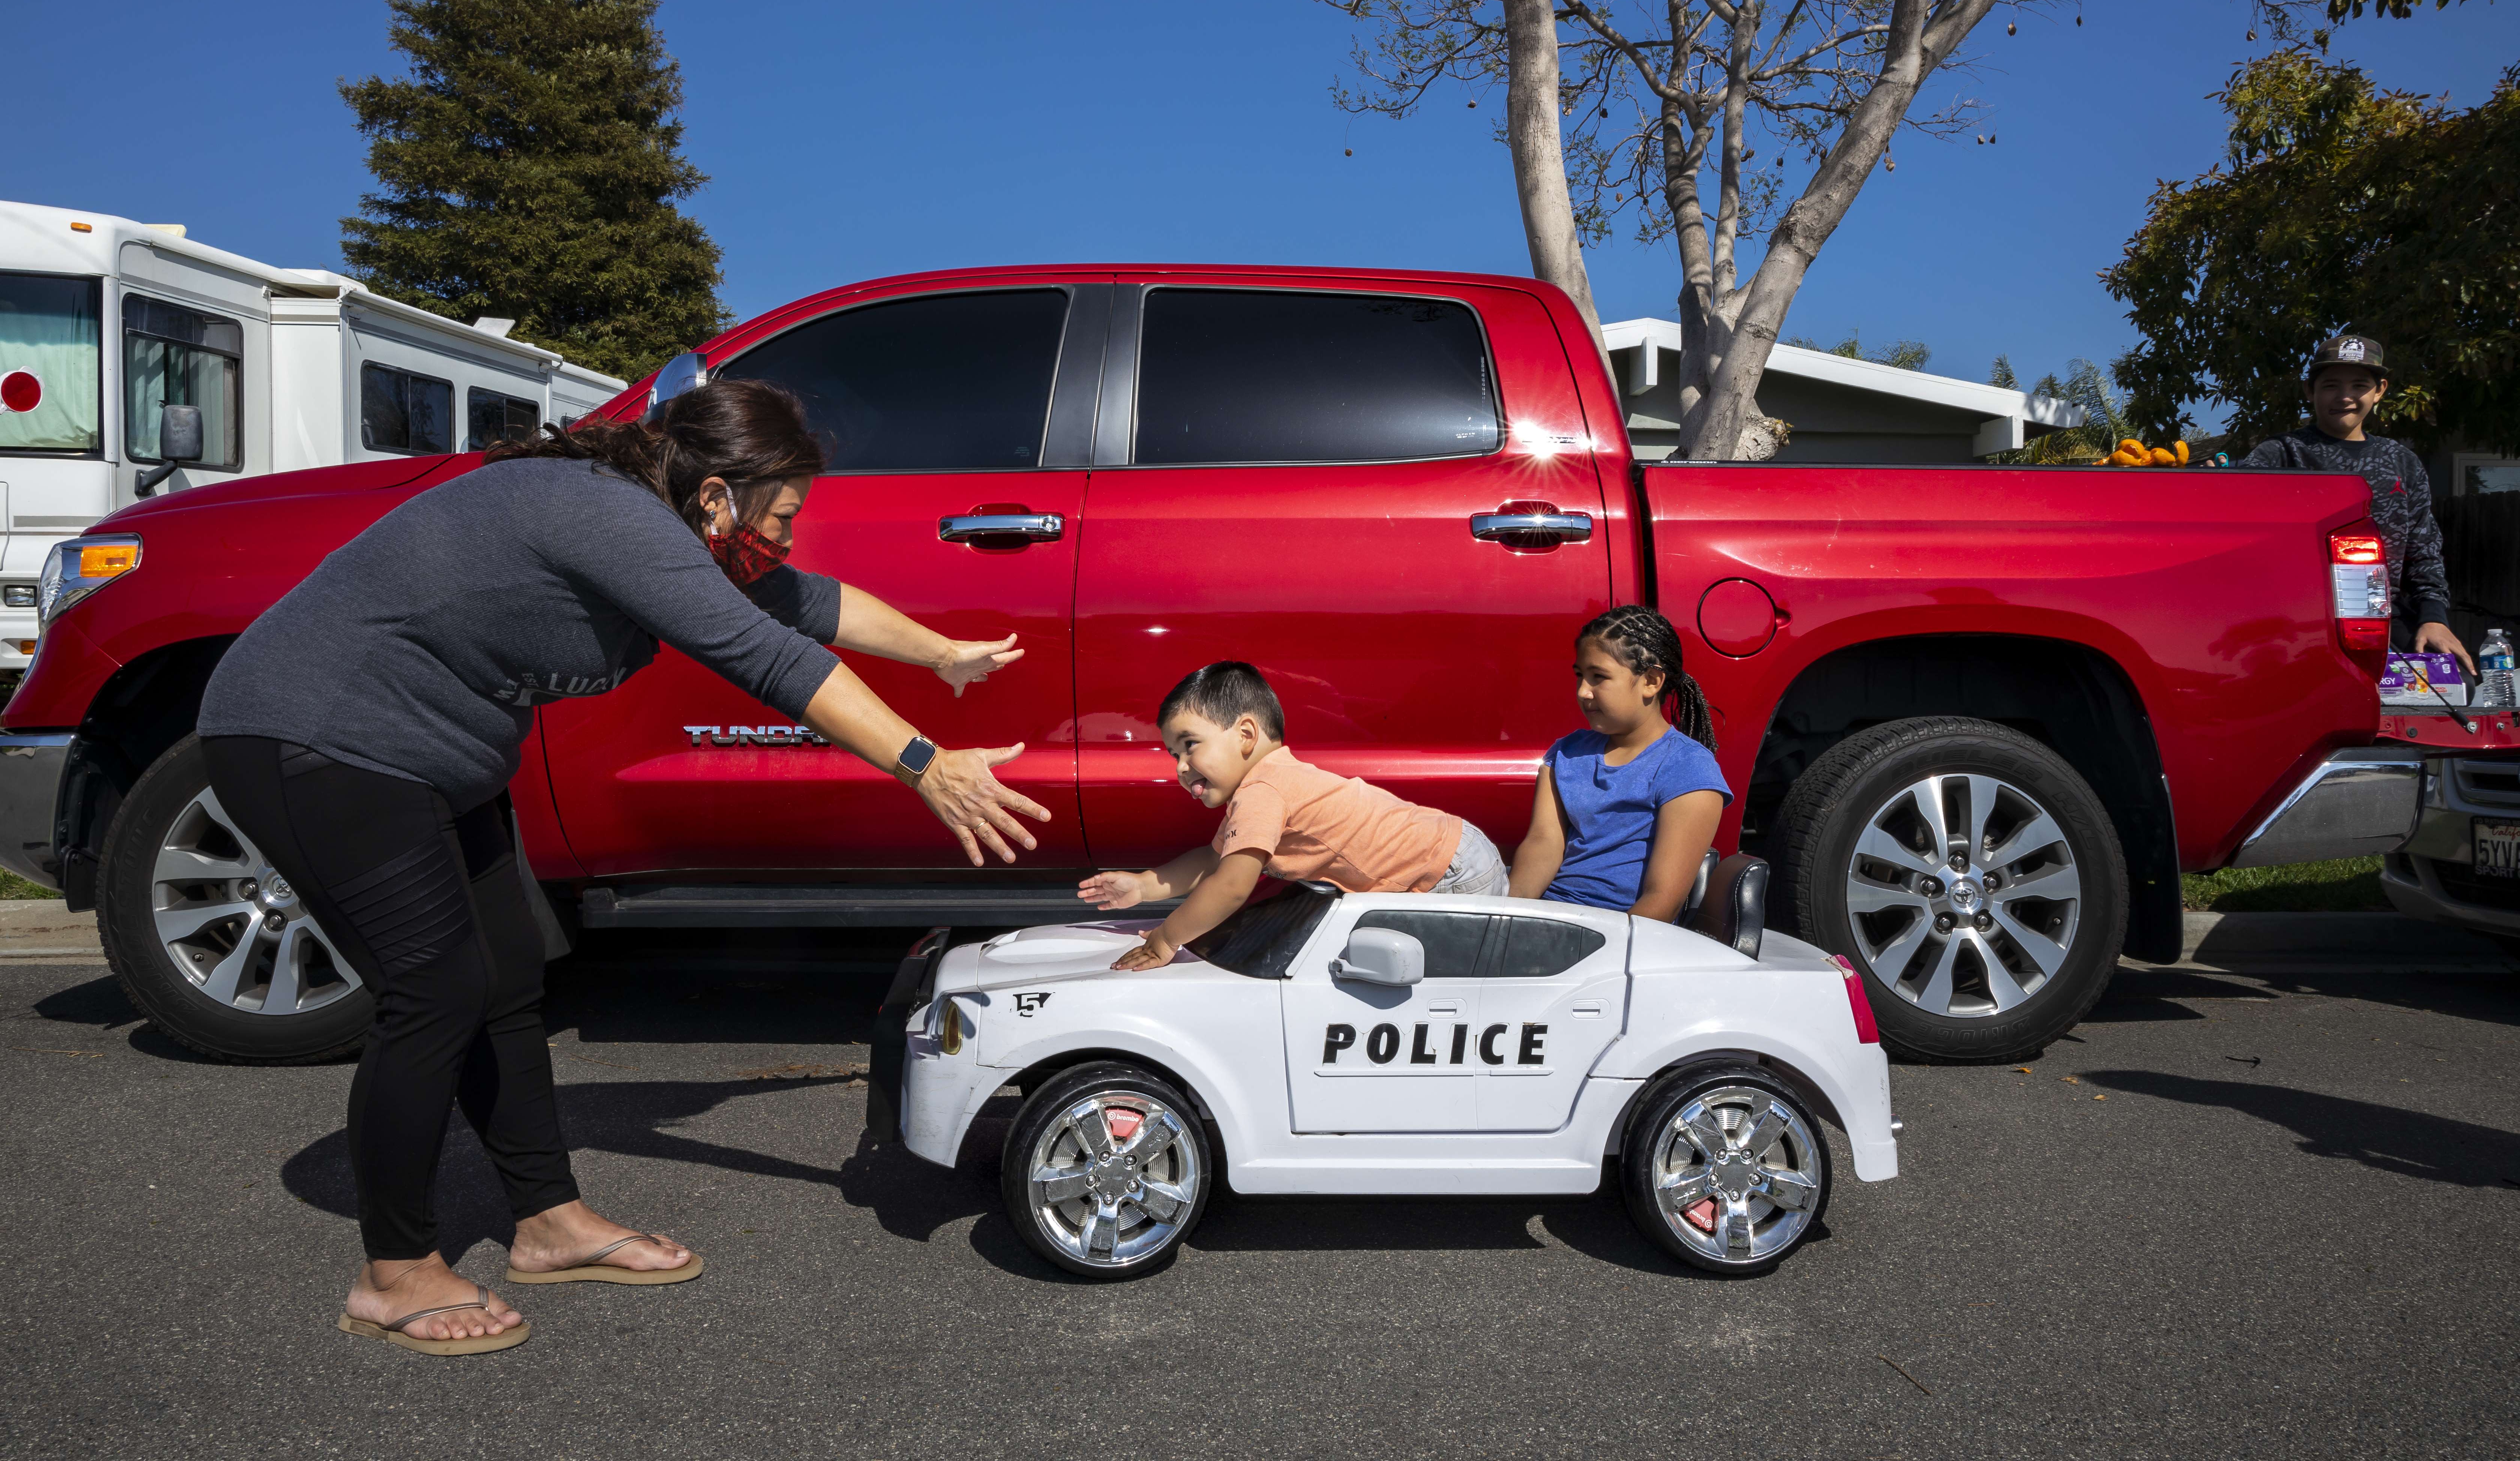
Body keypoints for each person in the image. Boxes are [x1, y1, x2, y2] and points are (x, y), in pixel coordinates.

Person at [195, 378, 1049, 1356]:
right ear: (717, 496)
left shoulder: (677, 532)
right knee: (434, 989)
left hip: (429, 756)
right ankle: (395, 1273)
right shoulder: (611, 517)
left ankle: (549, 1224)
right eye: (779, 516)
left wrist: (940, 654)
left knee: (507, 975)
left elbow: (806, 606)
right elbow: (765, 656)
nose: (785, 540)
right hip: (314, 734)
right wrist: (925, 765)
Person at [1077, 662, 1509, 971]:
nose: (1181, 766)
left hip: (1448, 874)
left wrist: (1168, 938)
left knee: (1431, 982)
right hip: (1453, 848)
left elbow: (1230, 887)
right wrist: (1143, 885)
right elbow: (1213, 863)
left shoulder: (1263, 792)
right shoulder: (1269, 782)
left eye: (1190, 745)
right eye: (1174, 754)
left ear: (1246, 735)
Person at [2237, 332, 2473, 675]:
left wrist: (2434, 619)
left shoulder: (2402, 462)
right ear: (2310, 391)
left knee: (2457, 686)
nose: (2345, 397)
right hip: (2294, 622)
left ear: (2380, 391)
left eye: (2359, 386)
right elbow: (2241, 532)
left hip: (2383, 619)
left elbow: (2424, 551)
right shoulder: (2280, 455)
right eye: (2331, 385)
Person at [1508, 606, 1731, 921]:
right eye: (1580, 677)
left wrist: (1611, 953)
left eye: (1599, 677)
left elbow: (1662, 899)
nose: (1584, 692)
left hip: (1620, 933)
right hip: (1550, 918)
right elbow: (1543, 843)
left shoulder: (1688, 767)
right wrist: (1508, 917)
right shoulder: (1566, 753)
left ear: (1651, 681)